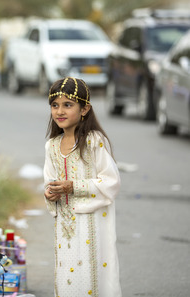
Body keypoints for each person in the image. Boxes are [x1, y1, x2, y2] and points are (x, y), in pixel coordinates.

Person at [43, 77, 122, 296]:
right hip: (65, 228)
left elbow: (111, 182)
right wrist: (50, 194)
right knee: (67, 278)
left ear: (84, 108)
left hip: (92, 225)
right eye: (55, 105)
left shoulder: (94, 141)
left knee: (91, 278)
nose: (60, 111)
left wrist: (73, 186)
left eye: (68, 105)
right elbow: (48, 182)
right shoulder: (51, 146)